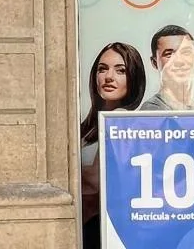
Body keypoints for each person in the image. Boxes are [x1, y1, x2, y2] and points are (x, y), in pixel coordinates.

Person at [79, 42, 147, 249]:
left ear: (133, 78)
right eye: (102, 69)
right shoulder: (88, 126)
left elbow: (98, 181)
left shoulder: (121, 121)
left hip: (101, 229)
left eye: (121, 71)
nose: (109, 76)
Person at [140, 25, 194, 111]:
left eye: (186, 52)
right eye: (169, 54)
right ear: (155, 62)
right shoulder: (152, 111)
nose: (179, 61)